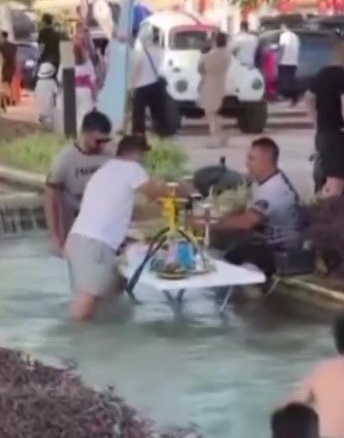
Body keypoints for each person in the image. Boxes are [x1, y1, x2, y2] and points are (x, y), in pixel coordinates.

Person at [65, 135, 187, 321]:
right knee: (84, 309)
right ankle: (72, 346)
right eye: (143, 157)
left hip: (78, 241)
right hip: (94, 245)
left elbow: (123, 210)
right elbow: (157, 193)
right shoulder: (132, 168)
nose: (144, 162)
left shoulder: (106, 170)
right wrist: (183, 189)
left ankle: (99, 341)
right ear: (137, 154)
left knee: (109, 294)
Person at [215, 136, 303, 283]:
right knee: (230, 254)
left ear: (266, 160)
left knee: (232, 268)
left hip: (279, 250)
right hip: (265, 243)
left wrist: (209, 223)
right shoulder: (272, 178)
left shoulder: (275, 189)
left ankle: (251, 296)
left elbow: (246, 222)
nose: (247, 163)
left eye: (251, 159)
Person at [44, 110, 113, 257]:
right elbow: (51, 198)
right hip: (74, 225)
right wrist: (55, 237)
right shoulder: (66, 158)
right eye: (98, 141)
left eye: (105, 141)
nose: (102, 145)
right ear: (85, 134)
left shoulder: (109, 157)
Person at [305, 35, 344, 197]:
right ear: (342, 51)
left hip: (323, 134)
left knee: (329, 181)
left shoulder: (321, 75)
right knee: (336, 184)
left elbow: (308, 99)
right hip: (339, 135)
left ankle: (321, 209)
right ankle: (327, 216)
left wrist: (317, 122)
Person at [130, 27, 169, 137]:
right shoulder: (159, 51)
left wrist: (131, 85)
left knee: (138, 114)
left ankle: (139, 134)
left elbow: (135, 70)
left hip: (141, 86)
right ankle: (162, 134)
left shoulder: (139, 53)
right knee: (157, 113)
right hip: (155, 85)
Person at [198, 32, 231, 147]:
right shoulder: (227, 55)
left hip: (209, 83)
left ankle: (215, 138)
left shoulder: (209, 55)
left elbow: (200, 68)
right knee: (214, 111)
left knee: (210, 112)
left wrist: (203, 55)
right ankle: (221, 135)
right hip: (221, 83)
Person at [72, 41, 98, 130]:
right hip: (85, 91)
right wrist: (95, 96)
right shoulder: (87, 62)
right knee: (84, 116)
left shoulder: (67, 61)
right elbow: (93, 81)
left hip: (71, 90)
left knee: (73, 115)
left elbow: (60, 78)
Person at [277, 24, 300, 103]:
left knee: (283, 80)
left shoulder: (284, 36)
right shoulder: (295, 36)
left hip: (284, 61)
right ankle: (294, 96)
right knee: (291, 80)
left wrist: (279, 59)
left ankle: (287, 95)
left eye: (281, 27)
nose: (281, 29)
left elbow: (282, 47)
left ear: (285, 27)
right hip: (293, 61)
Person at [0, 31, 18, 112]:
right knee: (9, 84)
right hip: (11, 67)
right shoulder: (13, 46)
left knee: (2, 85)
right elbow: (15, 57)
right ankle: (10, 99)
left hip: (3, 67)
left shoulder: (0, 46)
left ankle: (4, 103)